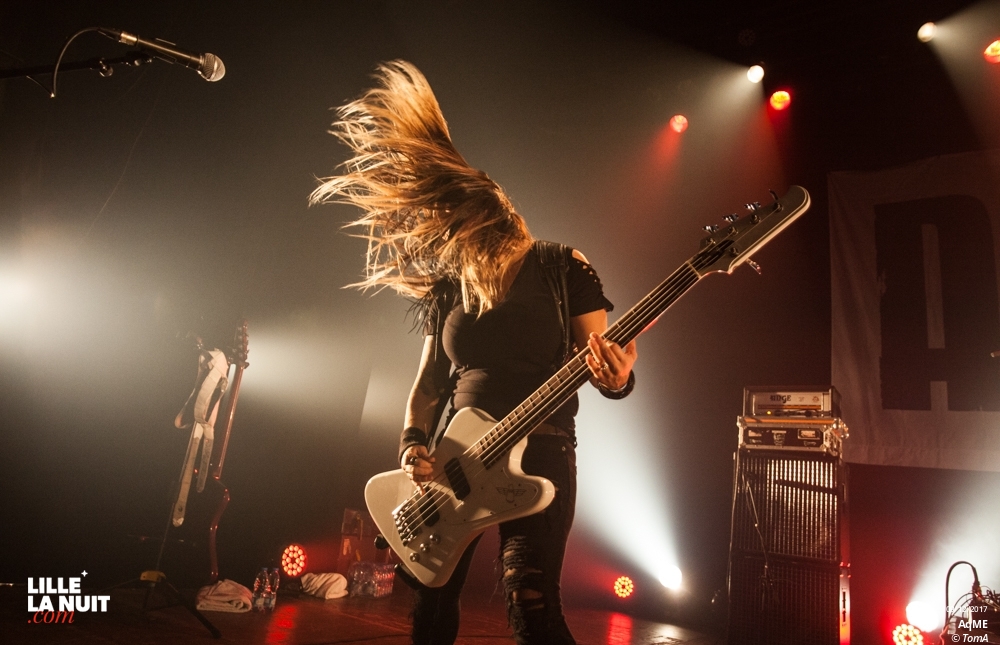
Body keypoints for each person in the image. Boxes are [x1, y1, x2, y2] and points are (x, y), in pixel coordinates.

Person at [311, 60, 637, 645]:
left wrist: (617, 378)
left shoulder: (564, 268)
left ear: (489, 221)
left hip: (540, 450)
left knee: (531, 604)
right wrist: (413, 444)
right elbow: (429, 385)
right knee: (430, 611)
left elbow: (607, 360)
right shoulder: (449, 287)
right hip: (454, 463)